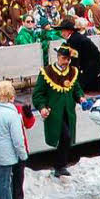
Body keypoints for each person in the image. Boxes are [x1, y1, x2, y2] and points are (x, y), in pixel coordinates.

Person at [32, 43, 84, 177]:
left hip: (68, 112)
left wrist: (81, 97)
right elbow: (38, 94)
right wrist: (42, 107)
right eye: (63, 59)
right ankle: (60, 166)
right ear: (58, 57)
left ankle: (61, 165)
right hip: (54, 113)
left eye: (68, 59)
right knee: (65, 136)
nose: (66, 62)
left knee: (67, 138)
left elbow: (76, 89)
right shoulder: (47, 72)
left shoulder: (72, 71)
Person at [58, 17, 100, 92]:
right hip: (95, 65)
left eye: (63, 31)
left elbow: (75, 59)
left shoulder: (74, 40)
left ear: (69, 31)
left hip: (91, 68)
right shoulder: (76, 37)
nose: (62, 33)